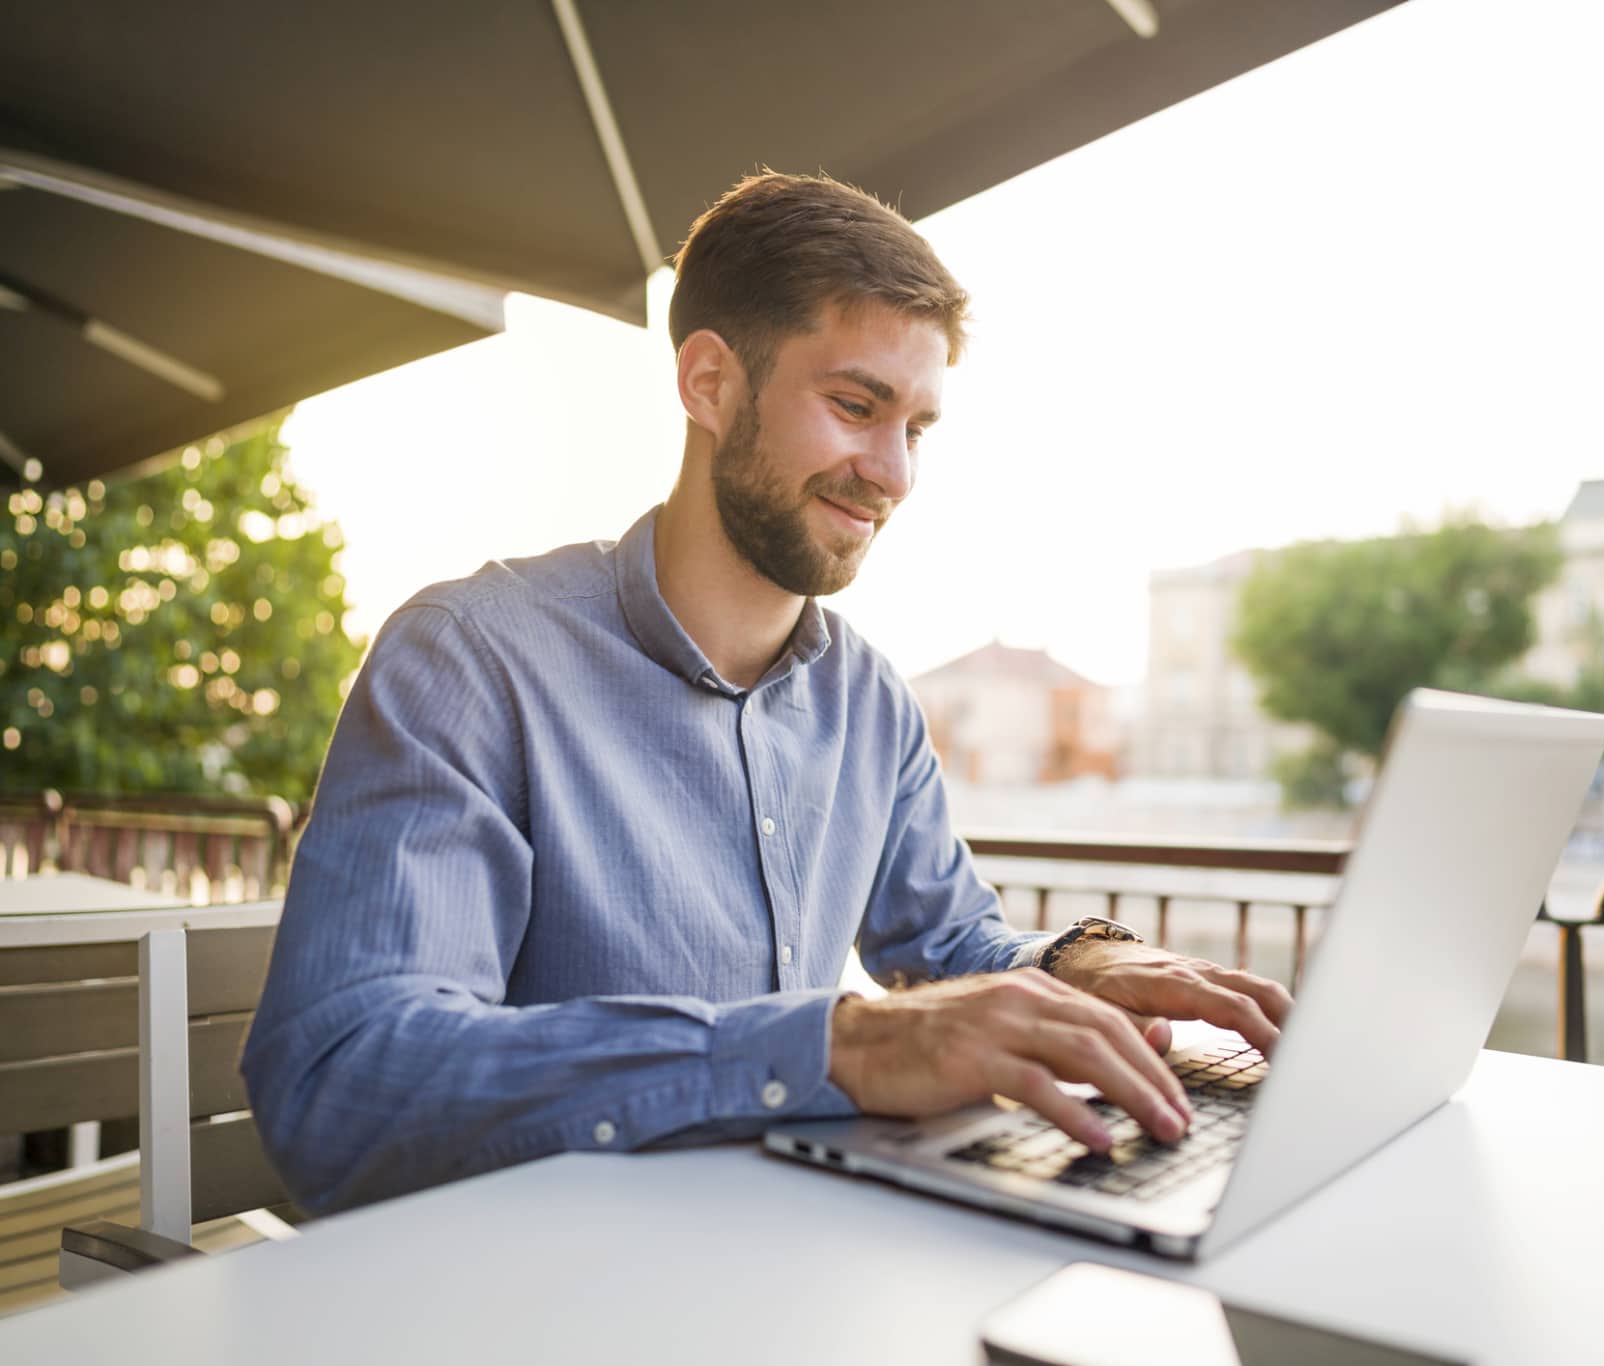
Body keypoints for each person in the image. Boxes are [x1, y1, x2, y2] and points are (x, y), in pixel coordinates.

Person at [243, 172, 1293, 1214]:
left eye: (916, 428)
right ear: (708, 383)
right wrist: (833, 1041)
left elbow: (944, 947)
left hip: (789, 1257)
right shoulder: (468, 659)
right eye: (853, 405)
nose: (891, 473)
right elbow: (342, 1080)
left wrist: (1079, 964)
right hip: (529, 1286)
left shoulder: (869, 702)